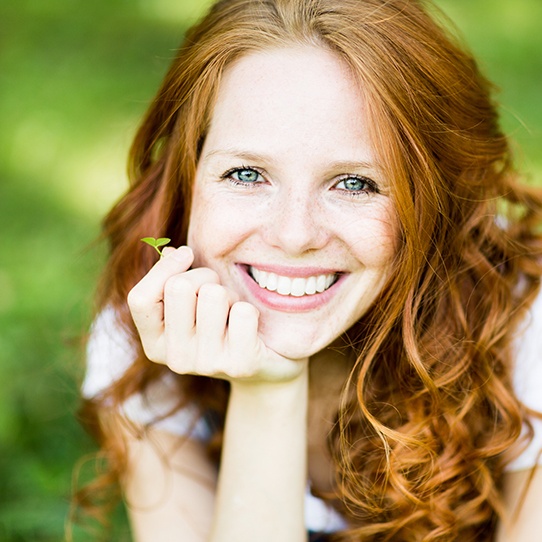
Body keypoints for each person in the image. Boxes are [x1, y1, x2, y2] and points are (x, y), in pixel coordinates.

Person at [77, 0, 542, 540]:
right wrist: (266, 390)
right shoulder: (150, 326)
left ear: (435, 198)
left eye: (355, 183)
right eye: (247, 173)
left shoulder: (527, 326)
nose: (294, 236)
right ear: (187, 175)